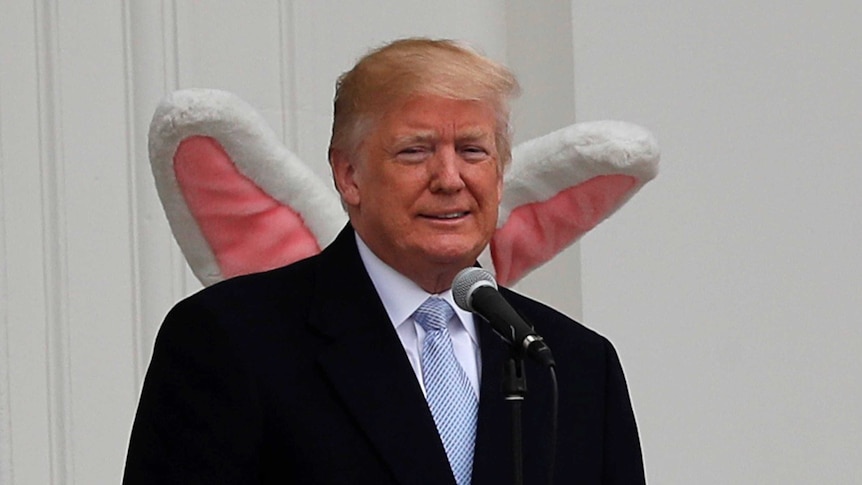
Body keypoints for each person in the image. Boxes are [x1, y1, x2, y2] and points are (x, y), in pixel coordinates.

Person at [124, 38, 645, 484]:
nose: (449, 178)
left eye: (472, 151)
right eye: (414, 152)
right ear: (349, 176)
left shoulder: (573, 365)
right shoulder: (230, 340)